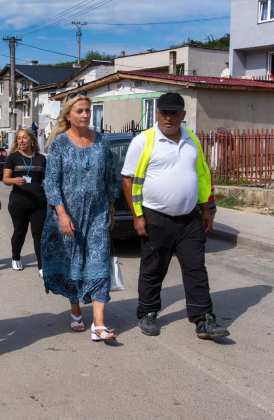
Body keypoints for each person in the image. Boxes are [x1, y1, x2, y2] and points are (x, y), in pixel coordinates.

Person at [120, 92, 229, 340]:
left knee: (196, 269)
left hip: (190, 219)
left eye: (173, 113)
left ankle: (204, 319)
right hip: (156, 217)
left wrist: (204, 209)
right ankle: (147, 313)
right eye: (164, 113)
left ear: (183, 115)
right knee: (153, 269)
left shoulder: (192, 140)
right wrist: (138, 216)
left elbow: (202, 175)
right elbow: (128, 180)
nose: (168, 118)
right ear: (157, 113)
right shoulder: (143, 141)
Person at [40, 91, 118, 342]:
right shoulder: (60, 143)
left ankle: (99, 324)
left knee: (98, 263)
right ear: (69, 115)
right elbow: (51, 183)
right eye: (79, 111)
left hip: (97, 214)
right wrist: (62, 214)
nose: (85, 115)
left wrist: (111, 210)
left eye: (87, 110)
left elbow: (109, 180)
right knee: (73, 263)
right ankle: (75, 310)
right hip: (68, 214)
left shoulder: (102, 142)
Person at [2, 127, 46, 277]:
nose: (21, 141)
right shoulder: (12, 158)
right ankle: (15, 257)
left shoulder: (41, 158)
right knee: (19, 232)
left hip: (38, 203)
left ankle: (41, 266)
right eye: (19, 138)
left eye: (24, 138)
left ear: (32, 140)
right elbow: (5, 179)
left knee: (38, 234)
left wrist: (47, 181)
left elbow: (46, 177)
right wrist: (14, 180)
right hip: (18, 203)